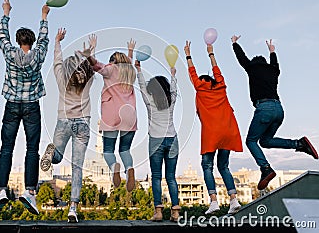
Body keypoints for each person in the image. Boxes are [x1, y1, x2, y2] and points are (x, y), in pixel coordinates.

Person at [231, 36, 318, 190]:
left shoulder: (252, 69)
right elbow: (275, 64)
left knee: (251, 141)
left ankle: (265, 168)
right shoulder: (273, 71)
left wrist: (235, 43)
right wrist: (272, 51)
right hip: (279, 110)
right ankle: (299, 144)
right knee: (265, 141)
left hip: (264, 109)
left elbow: (241, 58)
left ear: (254, 63)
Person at [0, 0, 50, 215]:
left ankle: (1, 190)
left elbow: (1, 35)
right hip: (32, 105)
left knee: (6, 147)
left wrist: (6, 12)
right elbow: (44, 39)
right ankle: (31, 193)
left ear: (18, 40)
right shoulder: (38, 55)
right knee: (31, 149)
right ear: (31, 42)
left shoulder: (9, 53)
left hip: (12, 105)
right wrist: (44, 16)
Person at [40, 29, 96, 223]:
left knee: (56, 158)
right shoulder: (88, 79)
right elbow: (91, 66)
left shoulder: (61, 78)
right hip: (83, 124)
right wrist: (91, 51)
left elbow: (56, 60)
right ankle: (73, 208)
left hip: (63, 122)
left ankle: (52, 152)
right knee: (77, 167)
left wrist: (57, 41)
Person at [185, 41, 242, 215]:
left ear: (201, 82)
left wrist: (188, 54)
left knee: (207, 166)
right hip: (228, 131)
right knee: (224, 166)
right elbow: (217, 70)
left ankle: (214, 201)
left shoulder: (199, 89)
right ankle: (233, 200)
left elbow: (191, 72)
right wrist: (211, 53)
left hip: (211, 134)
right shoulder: (221, 87)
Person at [86, 40, 137, 192]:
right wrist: (130, 52)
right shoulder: (130, 72)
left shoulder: (110, 69)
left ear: (112, 61)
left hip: (112, 115)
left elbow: (95, 65)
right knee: (125, 150)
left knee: (108, 150)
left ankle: (115, 167)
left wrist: (90, 53)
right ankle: (129, 169)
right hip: (130, 115)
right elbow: (128, 64)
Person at [135, 60, 181, 222]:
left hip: (156, 141)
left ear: (153, 89)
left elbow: (141, 87)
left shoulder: (150, 101)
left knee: (156, 177)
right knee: (171, 177)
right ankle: (175, 213)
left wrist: (138, 69)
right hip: (172, 139)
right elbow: (174, 89)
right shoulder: (172, 100)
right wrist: (173, 75)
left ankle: (159, 212)